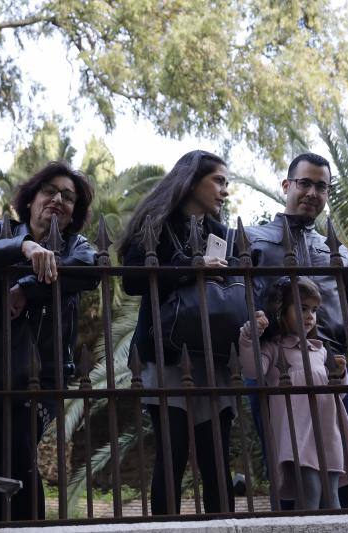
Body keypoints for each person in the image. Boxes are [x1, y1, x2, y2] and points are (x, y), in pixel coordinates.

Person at [245, 152, 348, 508]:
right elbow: (232, 300)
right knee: (287, 469)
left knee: (344, 468)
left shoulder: (336, 250)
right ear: (287, 185)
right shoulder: (252, 240)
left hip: (333, 368)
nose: (312, 192)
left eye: (321, 186)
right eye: (304, 183)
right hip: (276, 370)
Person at [0, 161, 98, 521]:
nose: (58, 200)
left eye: (68, 197)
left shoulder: (76, 245)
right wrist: (24, 247)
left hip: (42, 372)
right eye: (50, 191)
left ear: (74, 212)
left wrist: (26, 288)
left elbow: (88, 270)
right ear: (32, 198)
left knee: (18, 450)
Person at [118, 150, 236, 515]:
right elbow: (133, 280)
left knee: (217, 462)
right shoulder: (156, 222)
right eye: (219, 181)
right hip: (166, 352)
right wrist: (193, 266)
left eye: (226, 184)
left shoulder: (220, 232)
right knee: (172, 455)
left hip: (211, 355)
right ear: (192, 180)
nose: (224, 191)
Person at [239, 277, 348, 510]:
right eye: (303, 308)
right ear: (281, 311)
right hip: (298, 437)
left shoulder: (320, 350)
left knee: (332, 497)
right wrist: (249, 337)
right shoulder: (273, 348)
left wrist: (341, 374)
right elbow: (252, 370)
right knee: (310, 492)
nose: (310, 316)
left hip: (326, 434)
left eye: (314, 310)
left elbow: (339, 395)